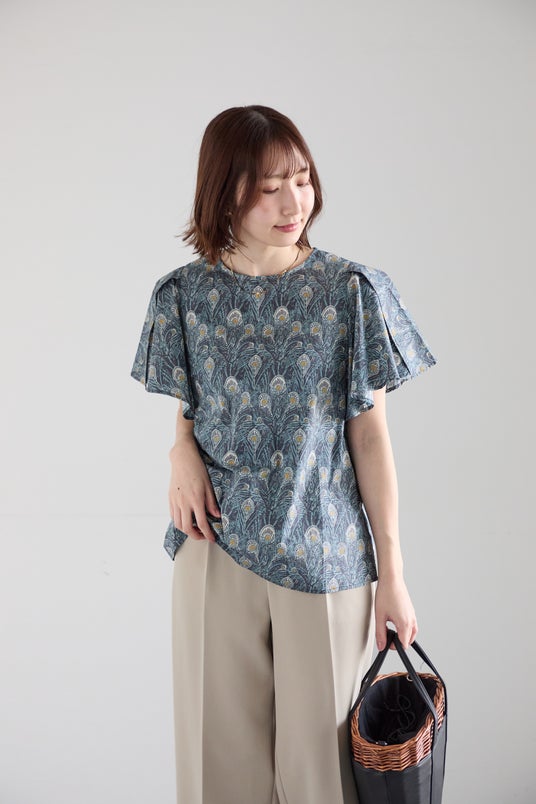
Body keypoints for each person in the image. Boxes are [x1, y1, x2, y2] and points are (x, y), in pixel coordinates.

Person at [130, 105, 437, 804]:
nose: (295, 203)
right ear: (223, 193)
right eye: (269, 188)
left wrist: (393, 573)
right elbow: (190, 409)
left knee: (323, 776)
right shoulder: (182, 296)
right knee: (217, 773)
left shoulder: (351, 291)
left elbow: (370, 438)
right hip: (212, 546)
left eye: (302, 180)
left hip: (326, 552)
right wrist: (179, 449)